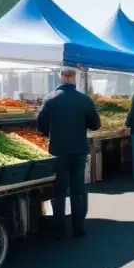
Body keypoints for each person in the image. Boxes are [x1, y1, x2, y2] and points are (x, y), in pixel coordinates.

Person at [37, 67, 101, 238]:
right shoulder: (84, 100)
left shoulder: (50, 99)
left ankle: (59, 229)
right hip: (79, 150)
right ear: (74, 78)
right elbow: (96, 124)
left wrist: (51, 131)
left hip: (57, 150)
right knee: (77, 190)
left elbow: (40, 126)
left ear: (61, 78)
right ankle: (78, 228)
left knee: (59, 190)